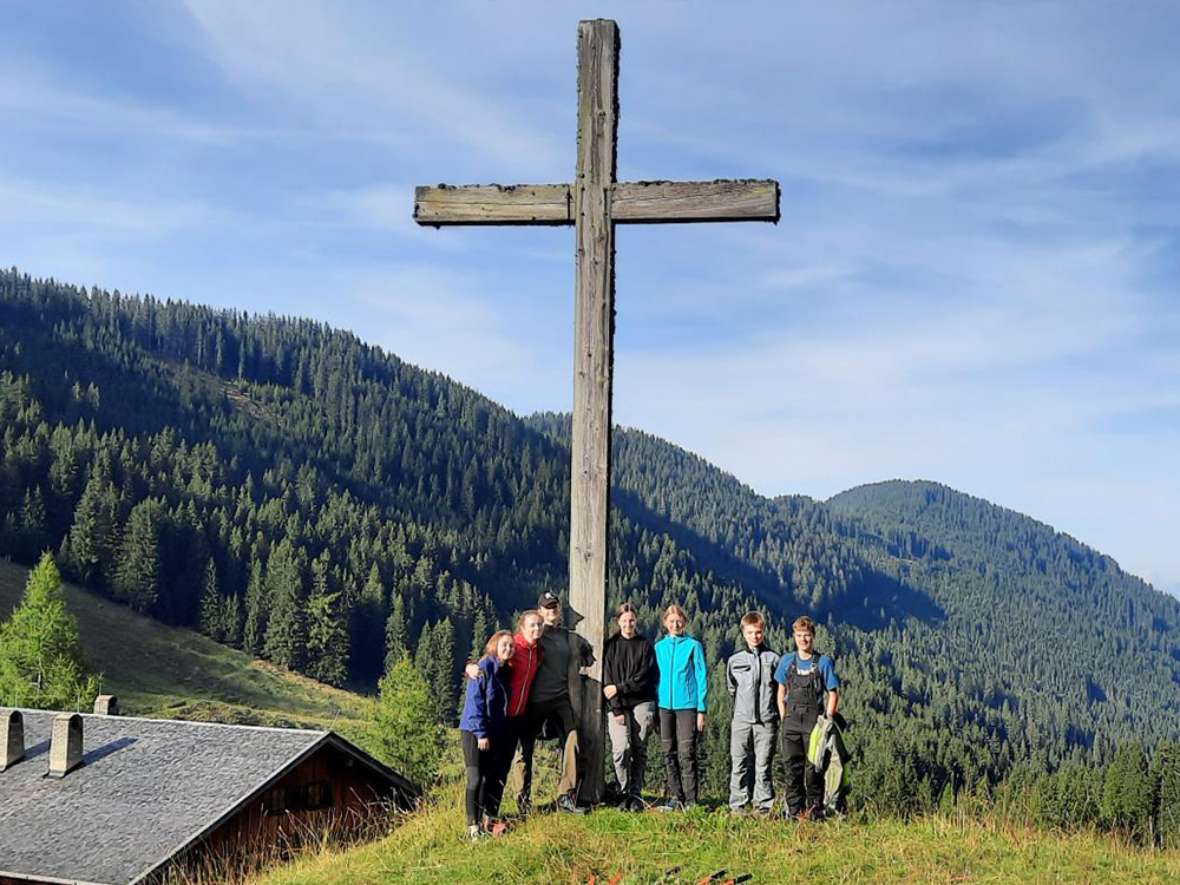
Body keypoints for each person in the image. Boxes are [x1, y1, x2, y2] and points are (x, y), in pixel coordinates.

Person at [510, 591, 594, 813]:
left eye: (554, 606)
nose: (551, 610)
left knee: (573, 739)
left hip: (559, 699)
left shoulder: (568, 637)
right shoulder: (534, 633)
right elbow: (510, 649)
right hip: (533, 701)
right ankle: (522, 800)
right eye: (547, 607)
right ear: (540, 611)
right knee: (524, 750)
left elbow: (585, 654)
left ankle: (566, 795)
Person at [774, 615, 840, 820]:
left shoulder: (823, 662)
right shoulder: (787, 661)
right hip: (791, 722)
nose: (803, 640)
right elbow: (781, 690)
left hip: (814, 724)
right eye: (800, 636)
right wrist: (784, 716)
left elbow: (833, 692)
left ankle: (814, 812)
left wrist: (828, 720)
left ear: (813, 637)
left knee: (814, 770)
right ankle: (794, 812)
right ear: (794, 636)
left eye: (807, 636)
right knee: (792, 769)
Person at [458, 630, 514, 840]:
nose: (508, 649)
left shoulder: (505, 671)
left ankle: (483, 824)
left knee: (487, 779)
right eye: (504, 645)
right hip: (474, 732)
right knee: (475, 778)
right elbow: (476, 702)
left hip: (492, 733)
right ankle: (472, 827)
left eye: (511, 646)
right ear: (494, 645)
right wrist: (481, 733)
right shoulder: (483, 668)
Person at [602, 602, 658, 811]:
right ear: (618, 621)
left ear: (637, 621)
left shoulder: (644, 645)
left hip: (642, 701)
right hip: (618, 705)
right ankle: (622, 790)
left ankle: (636, 794)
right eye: (624, 620)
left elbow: (645, 677)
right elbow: (607, 679)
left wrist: (620, 687)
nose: (628, 624)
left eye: (631, 620)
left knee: (639, 748)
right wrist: (616, 707)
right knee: (621, 749)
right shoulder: (611, 645)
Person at [654, 604, 708, 809]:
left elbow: (701, 676)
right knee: (668, 752)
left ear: (685, 622)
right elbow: (656, 677)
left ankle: (691, 799)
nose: (675, 624)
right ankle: (676, 797)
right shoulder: (659, 647)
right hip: (664, 706)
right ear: (665, 623)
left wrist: (701, 709)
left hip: (687, 706)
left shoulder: (693, 646)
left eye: (679, 621)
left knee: (686, 752)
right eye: (671, 621)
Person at [727, 611, 780, 814]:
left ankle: (763, 806)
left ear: (763, 632)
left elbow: (779, 690)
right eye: (750, 632)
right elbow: (732, 687)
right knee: (738, 764)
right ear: (743, 633)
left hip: (767, 721)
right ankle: (738, 805)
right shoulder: (735, 661)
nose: (755, 636)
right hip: (741, 721)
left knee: (763, 765)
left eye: (758, 632)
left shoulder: (773, 659)